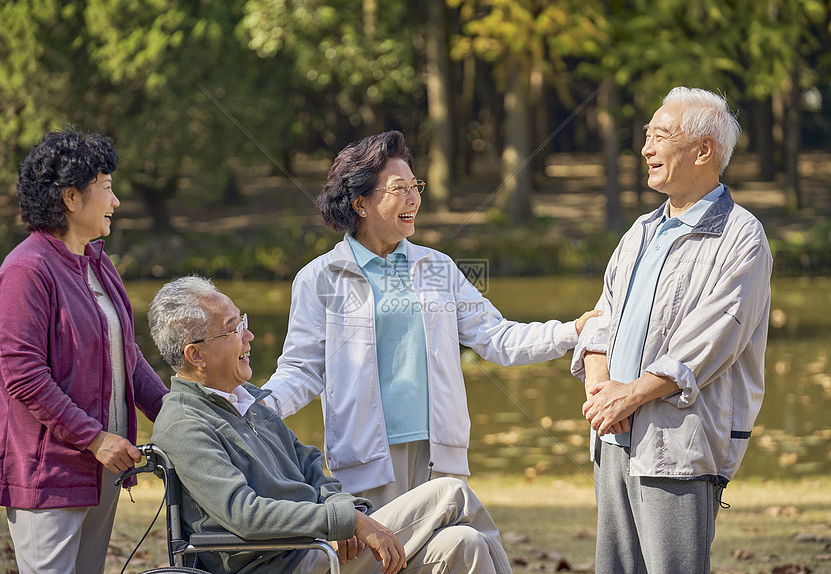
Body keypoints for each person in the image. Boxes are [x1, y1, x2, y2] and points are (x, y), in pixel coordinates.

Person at [261, 130, 599, 508]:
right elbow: (302, 369)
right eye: (399, 188)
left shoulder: (437, 268)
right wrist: (253, 408)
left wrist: (572, 331)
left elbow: (496, 338)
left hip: (442, 456)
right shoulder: (320, 277)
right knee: (381, 563)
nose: (413, 198)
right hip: (365, 461)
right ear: (360, 203)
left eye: (414, 186)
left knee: (448, 556)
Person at [147, 276, 513, 574]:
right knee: (450, 492)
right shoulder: (184, 423)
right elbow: (245, 515)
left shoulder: (250, 401)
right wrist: (346, 521)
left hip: (320, 547)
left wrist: (342, 512)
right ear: (195, 355)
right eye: (232, 330)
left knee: (465, 544)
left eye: (242, 322)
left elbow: (313, 471)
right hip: (283, 562)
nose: (248, 336)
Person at [572, 87, 772, 573]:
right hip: (614, 438)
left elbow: (708, 344)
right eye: (647, 136)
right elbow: (601, 321)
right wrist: (603, 393)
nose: (646, 149)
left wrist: (631, 396)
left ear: (703, 151)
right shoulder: (640, 231)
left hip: (679, 448)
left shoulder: (742, 236)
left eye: (660, 136)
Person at [0, 129, 170, 574]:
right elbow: (25, 378)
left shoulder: (98, 263)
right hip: (48, 475)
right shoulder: (26, 272)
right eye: (106, 188)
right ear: (71, 197)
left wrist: (175, 415)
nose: (116, 200)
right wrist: (95, 438)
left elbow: (129, 357)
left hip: (104, 469)